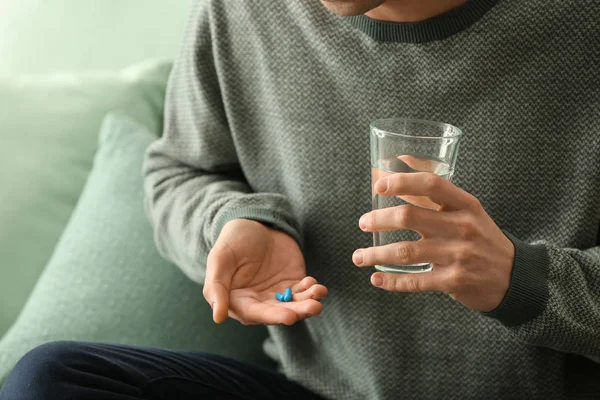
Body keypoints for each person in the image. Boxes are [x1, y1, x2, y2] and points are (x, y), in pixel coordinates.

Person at [1, 0, 599, 399]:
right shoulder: (241, 13)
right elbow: (176, 169)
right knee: (51, 380)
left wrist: (526, 281)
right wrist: (236, 221)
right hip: (317, 391)